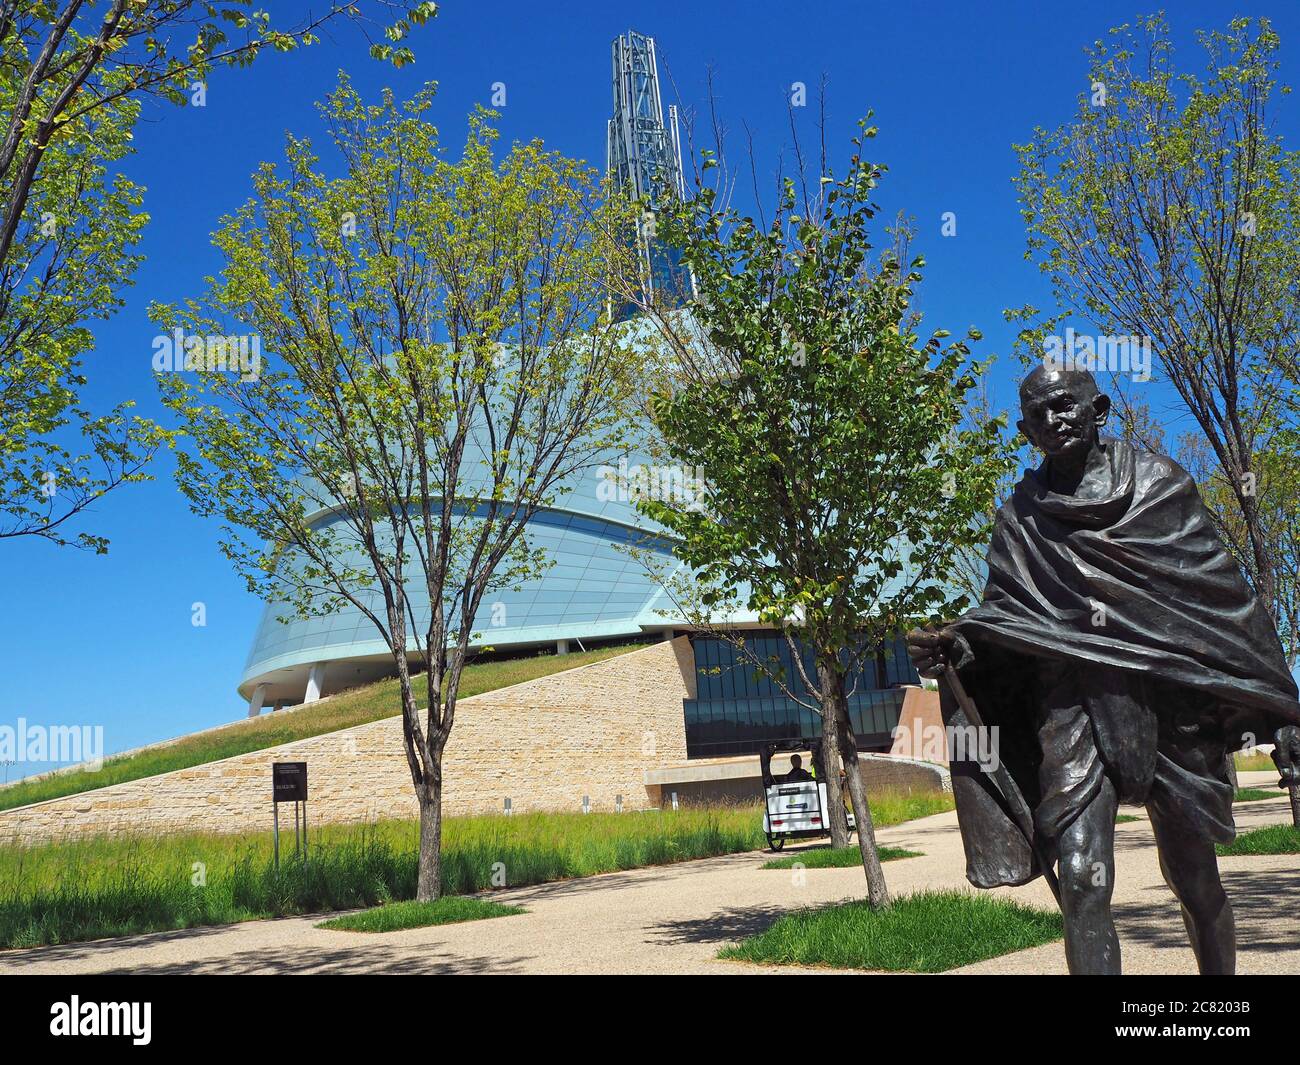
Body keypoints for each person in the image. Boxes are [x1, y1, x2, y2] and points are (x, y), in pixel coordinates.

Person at [908, 364, 1300, 975]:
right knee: (1086, 885)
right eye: (1037, 414)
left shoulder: (1161, 489)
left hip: (1170, 703)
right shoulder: (1021, 517)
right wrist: (958, 650)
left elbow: (1227, 603)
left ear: (1100, 409)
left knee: (1194, 880)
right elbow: (1006, 619)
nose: (1052, 420)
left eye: (1064, 405)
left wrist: (1281, 707)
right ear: (1025, 429)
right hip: (1073, 709)